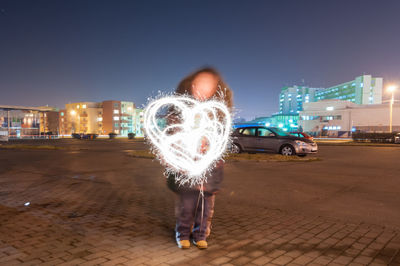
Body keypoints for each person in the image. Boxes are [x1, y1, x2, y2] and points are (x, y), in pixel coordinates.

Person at [166, 67, 233, 249]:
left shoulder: (218, 113)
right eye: (200, 83)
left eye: (209, 84)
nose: (203, 88)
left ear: (215, 88)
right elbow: (171, 137)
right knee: (187, 207)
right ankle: (182, 234)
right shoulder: (180, 111)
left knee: (205, 209)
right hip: (187, 170)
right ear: (192, 85)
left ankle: (201, 235)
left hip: (209, 172)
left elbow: (220, 147)